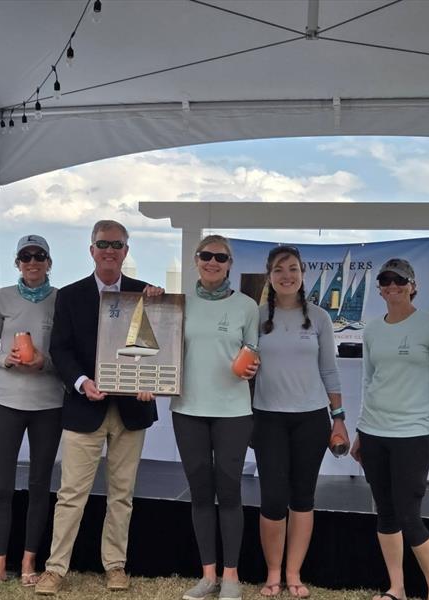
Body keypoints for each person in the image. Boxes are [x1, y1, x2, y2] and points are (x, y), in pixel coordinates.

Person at [35, 220, 162, 595]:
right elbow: (60, 349)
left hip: (132, 412)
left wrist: (149, 382)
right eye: (103, 244)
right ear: (91, 250)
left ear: (126, 250)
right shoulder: (70, 295)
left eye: (117, 245)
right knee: (71, 493)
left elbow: (160, 348)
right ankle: (55, 569)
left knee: (122, 494)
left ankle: (116, 567)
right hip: (83, 407)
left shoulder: (148, 294)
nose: (110, 250)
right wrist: (80, 382)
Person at [350, 258, 429, 600]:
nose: (392, 286)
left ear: (413, 286)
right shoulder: (371, 329)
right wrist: (360, 432)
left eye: (399, 280)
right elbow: (369, 381)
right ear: (379, 287)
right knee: (385, 513)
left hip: (412, 434)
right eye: (385, 280)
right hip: (374, 432)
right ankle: (396, 588)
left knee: (410, 517)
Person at [253, 245, 348, 598]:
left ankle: (294, 574)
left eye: (292, 268)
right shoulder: (257, 316)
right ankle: (273, 573)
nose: (286, 275)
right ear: (270, 276)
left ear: (302, 274)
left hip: (312, 420)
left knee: (302, 498)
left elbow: (330, 371)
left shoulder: (320, 318)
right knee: (273, 500)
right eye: (279, 270)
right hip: (267, 419)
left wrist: (338, 418)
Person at [171, 234, 259, 600]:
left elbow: (252, 349)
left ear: (229, 263)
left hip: (233, 412)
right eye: (206, 255)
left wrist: (252, 365)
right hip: (188, 409)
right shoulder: (180, 303)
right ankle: (208, 576)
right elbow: (162, 348)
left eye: (220, 257)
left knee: (230, 491)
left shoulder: (247, 306)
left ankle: (232, 575)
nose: (212, 262)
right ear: (196, 260)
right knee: (201, 493)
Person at [0, 235, 65, 587]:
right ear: (17, 263)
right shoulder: (3, 297)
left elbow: (69, 351)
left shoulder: (61, 299)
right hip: (8, 402)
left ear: (48, 262)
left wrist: (46, 362)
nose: (32, 262)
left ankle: (29, 562)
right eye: (26, 256)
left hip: (48, 404)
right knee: (1, 487)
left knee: (39, 485)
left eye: (39, 256)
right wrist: (6, 360)